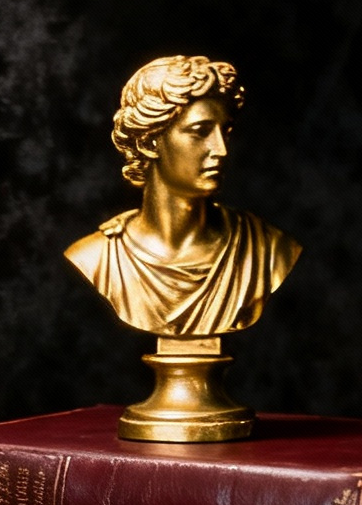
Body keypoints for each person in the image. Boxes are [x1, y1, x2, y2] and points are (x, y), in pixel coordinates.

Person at [64, 55, 300, 337]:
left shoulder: (267, 250)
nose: (221, 150)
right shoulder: (97, 257)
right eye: (200, 132)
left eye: (225, 132)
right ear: (149, 141)